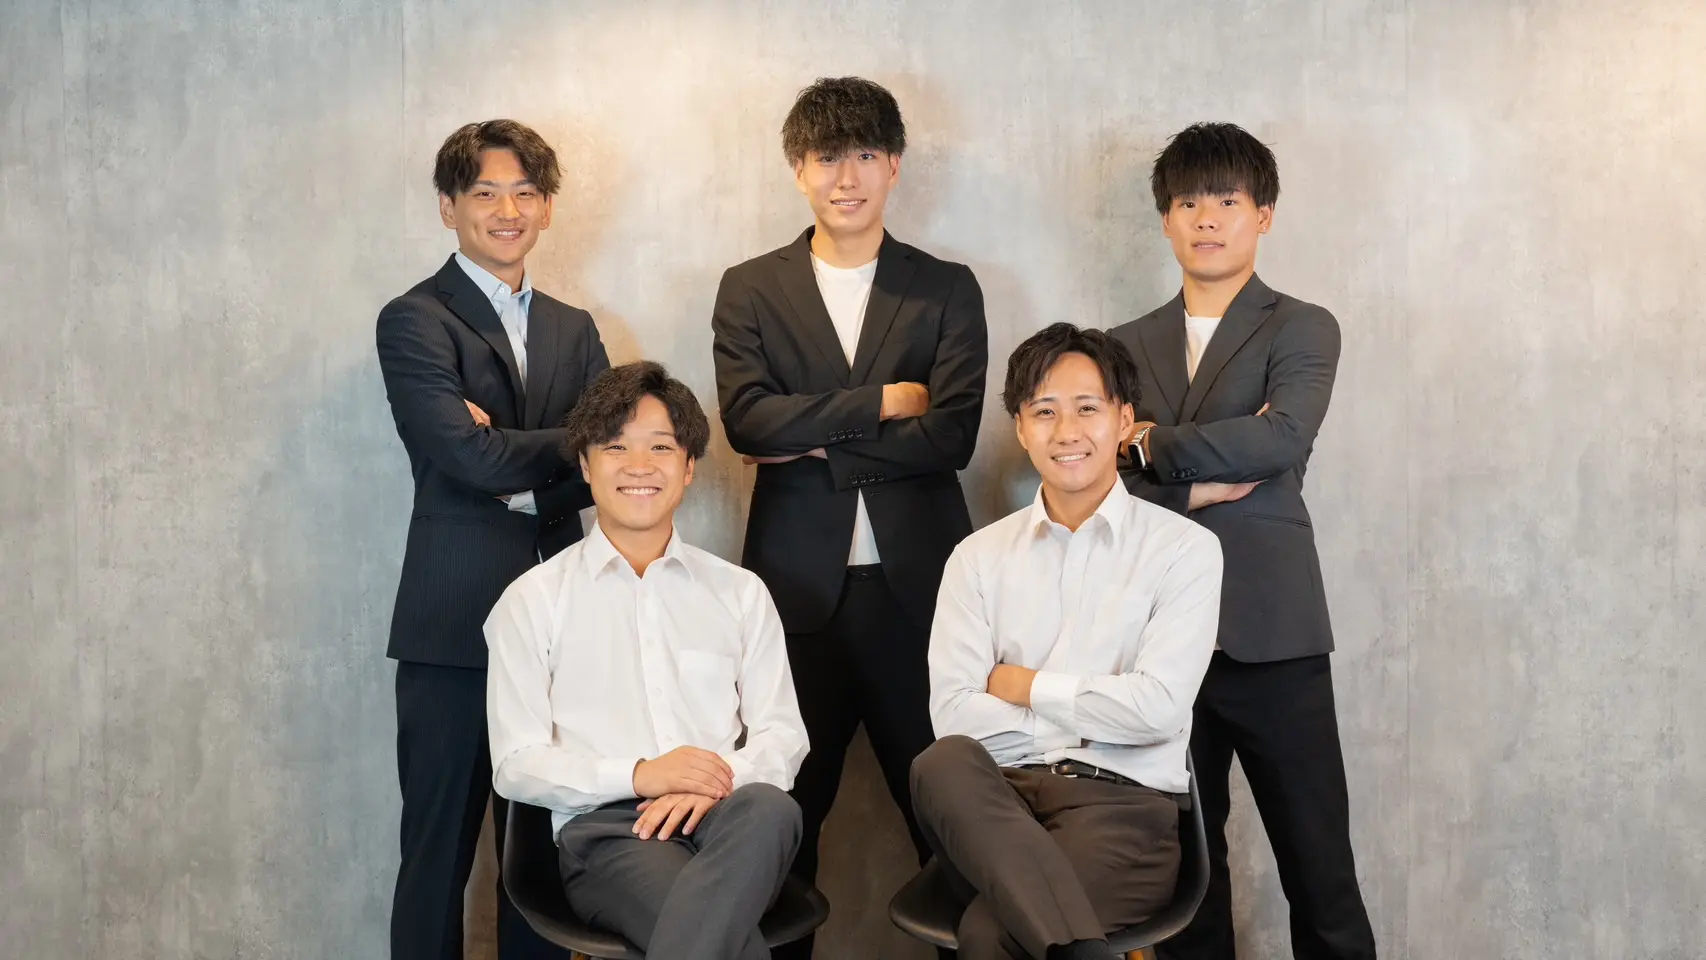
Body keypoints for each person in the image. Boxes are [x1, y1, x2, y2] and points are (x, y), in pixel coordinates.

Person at [710, 75, 989, 956]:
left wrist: (817, 444)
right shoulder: (751, 287)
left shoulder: (945, 287)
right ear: (799, 169)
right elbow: (748, 423)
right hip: (795, 601)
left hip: (922, 598)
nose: (847, 175)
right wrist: (882, 403)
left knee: (952, 830)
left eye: (865, 154)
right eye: (827, 156)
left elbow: (951, 436)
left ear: (894, 165)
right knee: (781, 830)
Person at [1110, 122, 1377, 959]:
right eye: (1188, 202)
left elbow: (1282, 438)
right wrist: (1193, 475)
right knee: (1186, 883)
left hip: (1273, 634)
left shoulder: (1303, 326)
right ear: (1165, 219)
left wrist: (1151, 446)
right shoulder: (1120, 345)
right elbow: (1097, 476)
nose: (1207, 218)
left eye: (1227, 200)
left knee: (1320, 874)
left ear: (1263, 214)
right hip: (1158, 646)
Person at [912, 323, 1224, 960]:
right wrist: (1096, 713)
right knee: (941, 763)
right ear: (1021, 429)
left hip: (1122, 809)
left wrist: (1024, 687)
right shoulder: (977, 558)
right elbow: (955, 715)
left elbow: (1159, 709)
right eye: (1044, 412)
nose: (1066, 431)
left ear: (1124, 420)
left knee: (990, 934)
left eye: (1087, 409)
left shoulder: (1184, 551)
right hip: (995, 808)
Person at [375, 119, 609, 959]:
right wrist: (564, 443)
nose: (507, 210)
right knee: (437, 855)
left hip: (561, 625)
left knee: (539, 859)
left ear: (545, 207)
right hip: (452, 626)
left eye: (525, 193)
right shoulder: (414, 320)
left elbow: (610, 465)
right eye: (485, 193)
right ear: (450, 207)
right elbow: (464, 456)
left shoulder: (575, 327)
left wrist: (511, 450)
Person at [485, 361, 809, 960]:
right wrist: (640, 776)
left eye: (660, 447)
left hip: (730, 821)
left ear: (688, 467)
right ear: (586, 466)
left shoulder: (740, 593)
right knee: (712, 928)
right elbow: (515, 764)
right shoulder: (532, 601)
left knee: (772, 808)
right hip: (609, 833)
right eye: (615, 447)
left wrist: (715, 783)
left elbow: (783, 735)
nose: (639, 465)